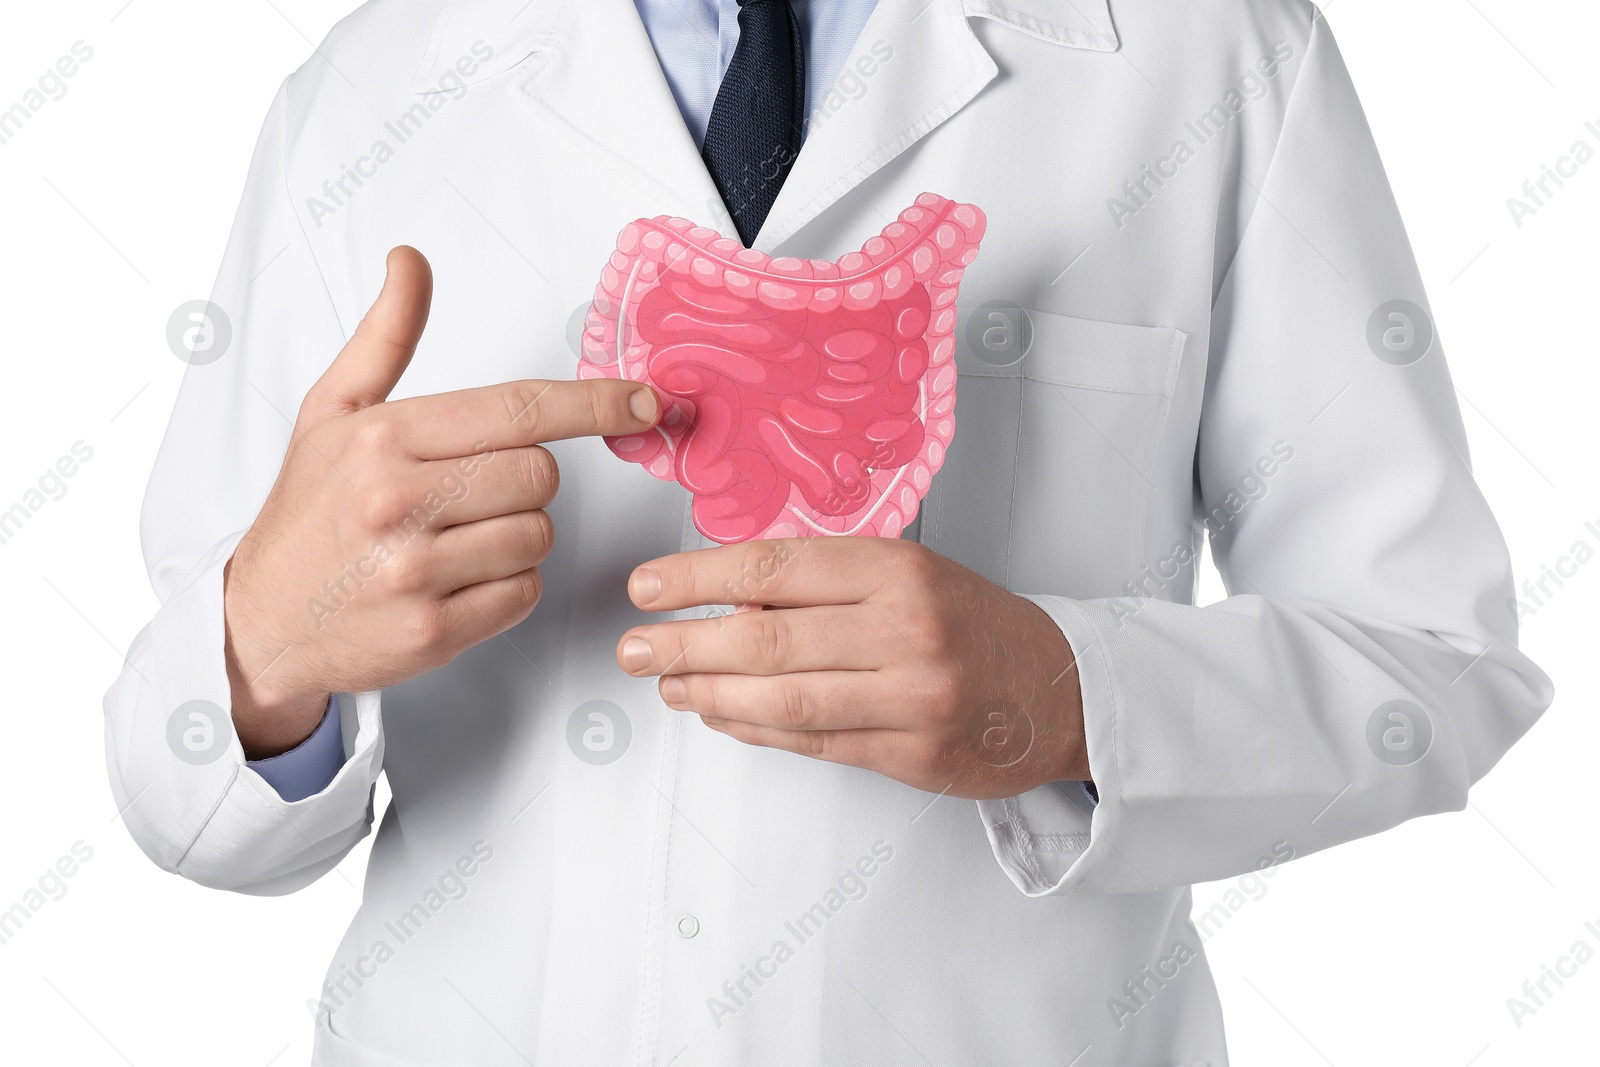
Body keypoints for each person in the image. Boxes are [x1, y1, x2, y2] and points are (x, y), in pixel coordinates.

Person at [105, 0, 1553, 1063]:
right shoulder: (371, 94)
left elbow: (1432, 666)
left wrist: (1064, 697)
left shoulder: (1207, 58)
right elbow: (179, 797)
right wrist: (256, 657)